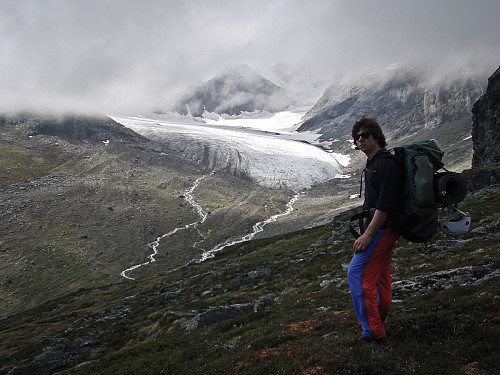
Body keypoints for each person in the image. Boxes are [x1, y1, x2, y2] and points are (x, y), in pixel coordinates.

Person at [347, 116, 402, 344]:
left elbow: (385, 205)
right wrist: (364, 229)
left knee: (357, 274)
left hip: (383, 230)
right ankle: (379, 321)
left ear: (376, 137)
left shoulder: (386, 164)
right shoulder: (373, 163)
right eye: (357, 137)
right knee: (379, 278)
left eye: (365, 136)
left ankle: (373, 332)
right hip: (380, 229)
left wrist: (369, 234)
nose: (360, 140)